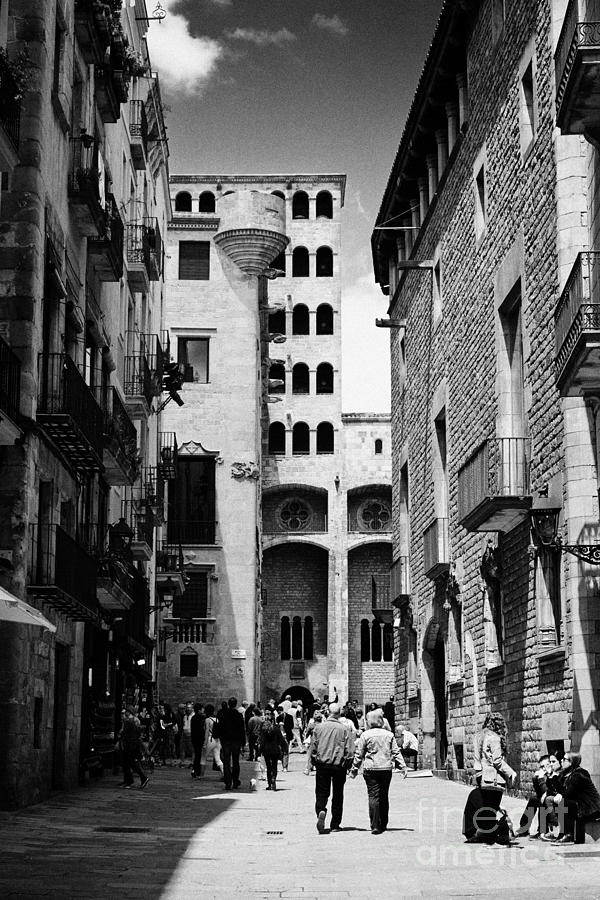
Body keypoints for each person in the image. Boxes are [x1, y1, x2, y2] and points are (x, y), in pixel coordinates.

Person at [349, 708, 407, 834]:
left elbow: (359, 754)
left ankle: (375, 824)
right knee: (384, 795)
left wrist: (354, 769)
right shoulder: (389, 735)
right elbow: (396, 752)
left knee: (373, 796)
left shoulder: (365, 735)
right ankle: (384, 822)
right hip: (385, 768)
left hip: (370, 768)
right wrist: (402, 766)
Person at [462, 712, 516, 845]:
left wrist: (479, 775)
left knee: (485, 807)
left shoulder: (480, 735)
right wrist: (511, 773)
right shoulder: (495, 738)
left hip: (484, 778)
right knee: (488, 808)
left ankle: (487, 833)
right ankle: (501, 829)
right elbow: (497, 761)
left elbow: (477, 760)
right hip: (494, 779)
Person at [308, 702, 355, 834]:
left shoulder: (319, 728)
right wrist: (347, 765)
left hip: (322, 764)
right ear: (339, 714)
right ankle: (335, 824)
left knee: (321, 792)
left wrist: (313, 761)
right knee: (338, 794)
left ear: (328, 712)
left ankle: (321, 810)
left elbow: (313, 747)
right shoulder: (344, 729)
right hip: (339, 766)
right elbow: (350, 751)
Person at [544, 751, 600, 844]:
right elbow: (557, 789)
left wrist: (558, 795)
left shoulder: (580, 774)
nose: (562, 761)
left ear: (572, 761)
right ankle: (562, 832)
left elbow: (567, 793)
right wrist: (551, 776)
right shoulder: (566, 773)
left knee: (562, 803)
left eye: (565, 759)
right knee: (553, 800)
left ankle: (568, 834)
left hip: (590, 807)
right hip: (578, 804)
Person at [515, 755, 552, 837]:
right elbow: (540, 793)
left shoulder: (554, 775)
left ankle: (543, 830)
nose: (543, 769)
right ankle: (524, 827)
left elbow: (547, 792)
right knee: (534, 799)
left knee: (542, 801)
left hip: (557, 802)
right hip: (548, 799)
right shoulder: (546, 775)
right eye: (541, 767)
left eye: (544, 766)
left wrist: (541, 779)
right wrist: (535, 779)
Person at [218, 696, 246, 789]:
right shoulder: (238, 715)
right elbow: (242, 729)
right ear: (236, 704)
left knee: (226, 761)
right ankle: (235, 780)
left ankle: (228, 781)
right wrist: (243, 742)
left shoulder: (223, 714)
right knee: (235, 761)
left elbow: (220, 728)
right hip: (236, 741)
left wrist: (220, 739)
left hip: (226, 741)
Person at [118, 706, 149, 789]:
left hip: (130, 746)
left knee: (131, 763)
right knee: (129, 763)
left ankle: (143, 778)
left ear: (129, 712)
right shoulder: (134, 721)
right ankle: (129, 780)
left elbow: (124, 734)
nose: (124, 713)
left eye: (126, 712)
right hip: (133, 745)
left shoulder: (129, 722)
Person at [258, 708, 288, 790]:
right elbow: (281, 740)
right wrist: (284, 748)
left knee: (268, 766)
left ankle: (269, 783)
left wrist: (259, 752)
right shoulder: (276, 729)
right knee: (274, 766)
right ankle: (274, 778)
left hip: (266, 750)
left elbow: (262, 742)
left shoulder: (263, 730)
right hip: (275, 750)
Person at [200, 704, 223, 778]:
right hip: (217, 740)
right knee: (218, 758)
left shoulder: (207, 720)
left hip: (210, 739)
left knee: (203, 757)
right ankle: (224, 773)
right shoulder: (217, 719)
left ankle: (201, 775)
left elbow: (207, 731)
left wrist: (205, 743)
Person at [190, 703, 206, 778]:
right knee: (199, 755)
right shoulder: (201, 718)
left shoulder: (193, 718)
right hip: (200, 738)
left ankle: (194, 769)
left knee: (197, 754)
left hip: (194, 738)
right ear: (199, 710)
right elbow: (202, 729)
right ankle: (196, 770)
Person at [179, 701, 194, 768]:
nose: (188, 709)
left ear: (192, 708)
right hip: (184, 734)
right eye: (187, 708)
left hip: (191, 734)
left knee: (192, 749)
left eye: (189, 708)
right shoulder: (184, 716)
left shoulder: (193, 716)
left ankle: (192, 762)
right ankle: (182, 762)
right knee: (182, 748)